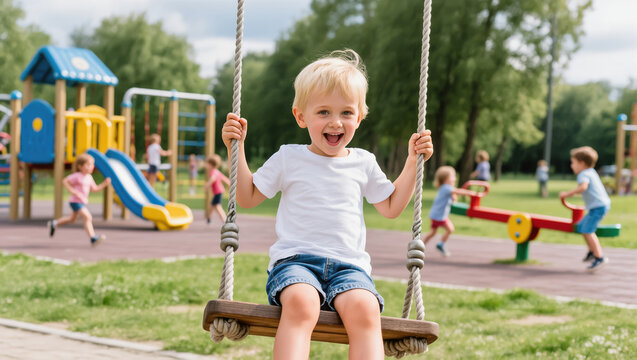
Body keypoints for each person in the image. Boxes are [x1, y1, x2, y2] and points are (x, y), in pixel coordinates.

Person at [222, 49, 434, 360]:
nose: (335, 122)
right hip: (295, 262)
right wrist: (235, 149)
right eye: (323, 112)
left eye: (346, 113)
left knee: (366, 309)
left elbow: (390, 206)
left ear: (359, 117)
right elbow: (248, 196)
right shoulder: (289, 157)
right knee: (301, 303)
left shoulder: (363, 162)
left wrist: (412, 162)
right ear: (301, 116)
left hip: (350, 267)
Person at [559, 146, 611, 272]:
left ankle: (599, 257)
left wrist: (567, 194)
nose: (572, 165)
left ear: (581, 163)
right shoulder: (591, 171)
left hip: (598, 207)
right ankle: (592, 251)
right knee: (582, 226)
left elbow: (583, 187)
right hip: (600, 205)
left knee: (587, 230)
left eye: (573, 162)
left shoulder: (583, 174)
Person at [46, 153, 111, 246]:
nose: (91, 167)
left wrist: (104, 184)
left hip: (82, 202)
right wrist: (73, 191)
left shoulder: (89, 177)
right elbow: (65, 181)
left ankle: (54, 223)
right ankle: (93, 238)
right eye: (88, 165)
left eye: (92, 165)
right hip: (75, 202)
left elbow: (95, 189)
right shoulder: (77, 176)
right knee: (87, 217)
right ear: (80, 166)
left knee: (71, 219)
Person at [423, 166, 459, 257]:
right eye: (453, 176)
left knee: (433, 233)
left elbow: (454, 199)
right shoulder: (446, 187)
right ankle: (440, 244)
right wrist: (470, 193)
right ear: (446, 179)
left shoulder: (446, 188)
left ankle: (421, 246)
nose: (455, 178)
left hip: (436, 215)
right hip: (439, 216)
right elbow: (458, 193)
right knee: (450, 229)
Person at [204, 154, 230, 225]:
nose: (206, 165)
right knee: (212, 205)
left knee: (218, 207)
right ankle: (209, 218)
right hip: (219, 192)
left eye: (207, 164)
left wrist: (207, 185)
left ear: (210, 164)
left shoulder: (213, 172)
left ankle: (225, 221)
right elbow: (226, 180)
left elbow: (213, 178)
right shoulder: (218, 171)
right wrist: (229, 184)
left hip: (218, 192)